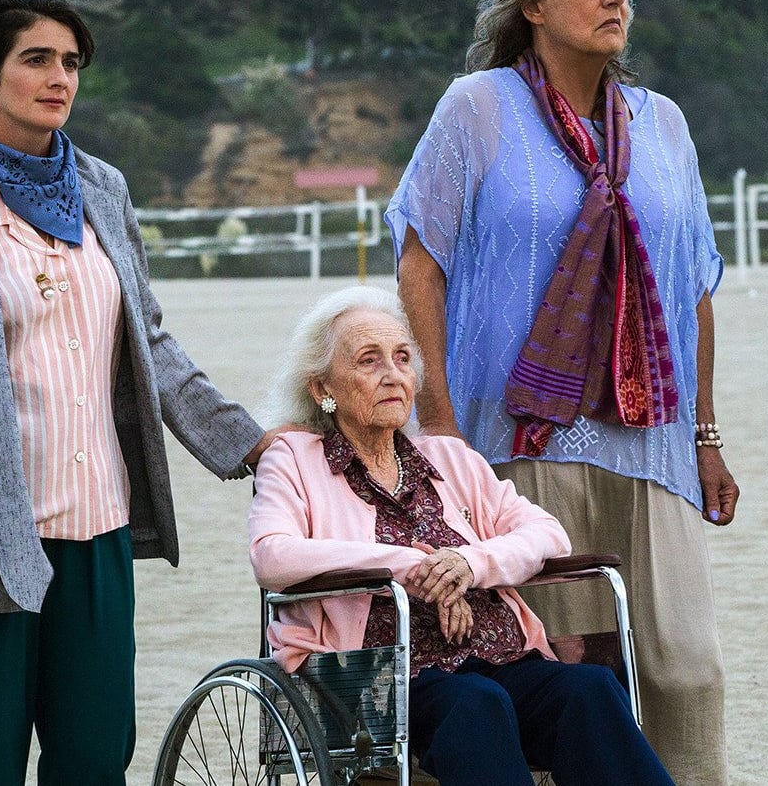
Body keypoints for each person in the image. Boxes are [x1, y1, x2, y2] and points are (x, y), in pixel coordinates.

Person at [0, 0, 283, 785]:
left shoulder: (105, 190)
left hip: (99, 534)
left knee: (94, 762)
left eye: (70, 62)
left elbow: (148, 342)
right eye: (37, 59)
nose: (59, 77)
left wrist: (250, 443)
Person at [385, 0, 737, 784]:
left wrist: (706, 436)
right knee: (560, 661)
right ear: (534, 5)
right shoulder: (479, 108)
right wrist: (439, 424)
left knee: (686, 669)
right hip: (517, 437)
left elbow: (694, 287)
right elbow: (420, 263)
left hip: (652, 439)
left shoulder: (663, 125)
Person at [249, 285, 674, 786]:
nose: (393, 375)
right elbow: (272, 555)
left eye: (402, 358)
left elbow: (547, 533)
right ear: (323, 387)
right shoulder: (294, 459)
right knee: (476, 702)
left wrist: (468, 565)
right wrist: (412, 567)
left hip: (497, 655)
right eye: (369, 360)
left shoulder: (449, 457)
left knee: (590, 689)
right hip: (379, 677)